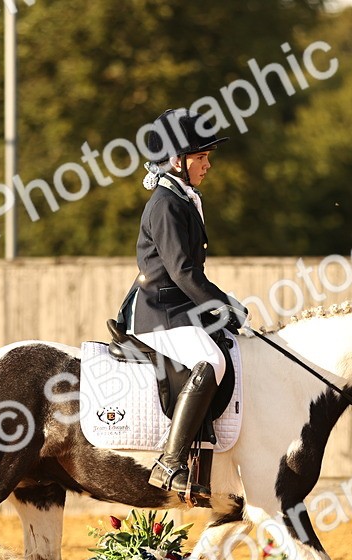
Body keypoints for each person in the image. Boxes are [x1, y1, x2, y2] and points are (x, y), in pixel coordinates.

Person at [115, 108, 248, 496]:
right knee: (212, 362)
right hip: (159, 312)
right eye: (200, 157)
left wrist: (223, 304)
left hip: (178, 309)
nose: (207, 164)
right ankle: (170, 462)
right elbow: (182, 272)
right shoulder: (167, 203)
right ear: (177, 160)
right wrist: (223, 305)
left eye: (207, 157)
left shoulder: (183, 196)